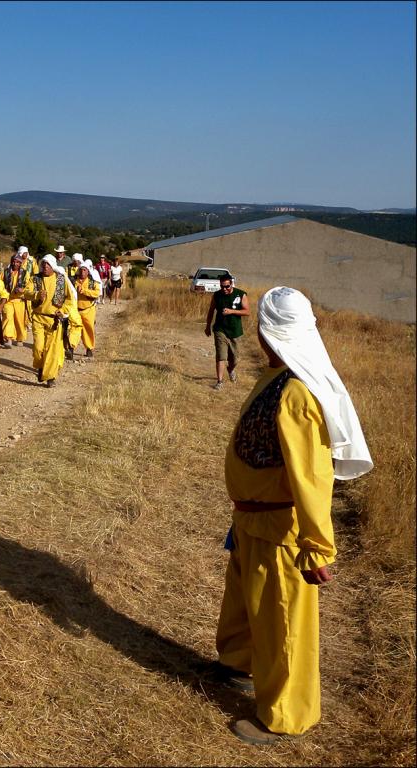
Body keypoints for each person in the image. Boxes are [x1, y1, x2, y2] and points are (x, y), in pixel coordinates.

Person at [217, 286, 372, 745]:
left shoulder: (299, 395)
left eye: (262, 330)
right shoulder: (276, 376)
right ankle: (238, 665)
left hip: (277, 529)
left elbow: (311, 477)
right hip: (250, 520)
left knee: (283, 622)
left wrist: (318, 547)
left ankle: (286, 714)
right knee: (246, 606)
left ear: (270, 333)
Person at [25, 254, 79, 387]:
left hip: (54, 320)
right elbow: (26, 293)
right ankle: (40, 366)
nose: (45, 266)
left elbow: (69, 299)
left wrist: (63, 310)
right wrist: (36, 295)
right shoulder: (35, 279)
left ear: (53, 266)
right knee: (38, 348)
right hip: (38, 317)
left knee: (51, 350)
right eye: (43, 264)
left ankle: (50, 377)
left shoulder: (61, 279)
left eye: (48, 264)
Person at [205, 277, 249, 390]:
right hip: (220, 330)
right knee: (221, 356)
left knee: (234, 359)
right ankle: (220, 381)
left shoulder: (241, 294)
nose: (224, 289)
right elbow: (211, 311)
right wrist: (208, 326)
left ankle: (231, 369)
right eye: (222, 286)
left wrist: (231, 311)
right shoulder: (217, 295)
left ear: (231, 284)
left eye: (227, 286)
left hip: (235, 331)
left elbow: (247, 311)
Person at [0, 252, 29, 348]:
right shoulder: (5, 272)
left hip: (19, 300)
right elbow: (0, 286)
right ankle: (8, 338)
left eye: (17, 262)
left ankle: (20, 338)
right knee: (8, 317)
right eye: (13, 261)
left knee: (19, 321)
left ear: (20, 263)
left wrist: (22, 290)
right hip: (8, 300)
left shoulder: (25, 274)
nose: (15, 264)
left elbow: (29, 287)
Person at [73, 262, 101, 358]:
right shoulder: (73, 282)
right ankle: (71, 348)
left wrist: (84, 291)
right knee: (73, 328)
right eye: (81, 270)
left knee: (88, 329)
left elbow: (97, 293)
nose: (82, 272)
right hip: (75, 309)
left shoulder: (93, 283)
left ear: (88, 271)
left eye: (84, 270)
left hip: (88, 309)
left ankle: (89, 348)